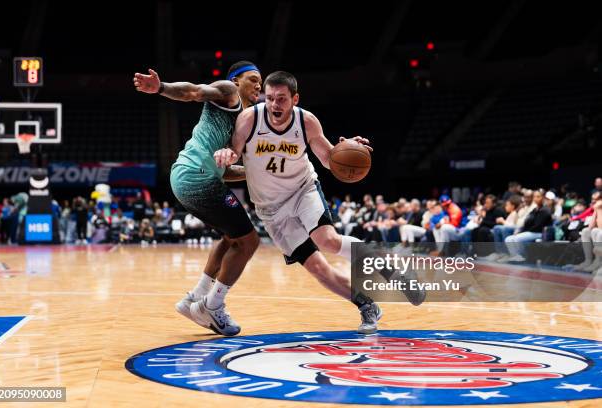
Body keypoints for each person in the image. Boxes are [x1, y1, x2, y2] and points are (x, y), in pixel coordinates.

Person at [214, 71, 424, 334]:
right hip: (271, 209)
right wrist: (225, 153)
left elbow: (327, 158)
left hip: (303, 190)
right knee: (318, 268)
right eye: (270, 98)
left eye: (281, 99)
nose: (274, 105)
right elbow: (234, 151)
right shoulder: (249, 119)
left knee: (329, 240)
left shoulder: (307, 122)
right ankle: (367, 305)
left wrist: (344, 150)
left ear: (295, 99)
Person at [133, 61, 262, 336]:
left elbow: (225, 171)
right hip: (195, 175)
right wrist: (162, 88)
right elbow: (192, 92)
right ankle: (212, 307)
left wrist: (257, 172)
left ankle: (194, 297)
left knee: (231, 238)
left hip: (190, 177)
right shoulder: (227, 92)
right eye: (253, 79)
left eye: (260, 82)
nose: (258, 86)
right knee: (250, 241)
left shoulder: (239, 122)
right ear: (237, 81)